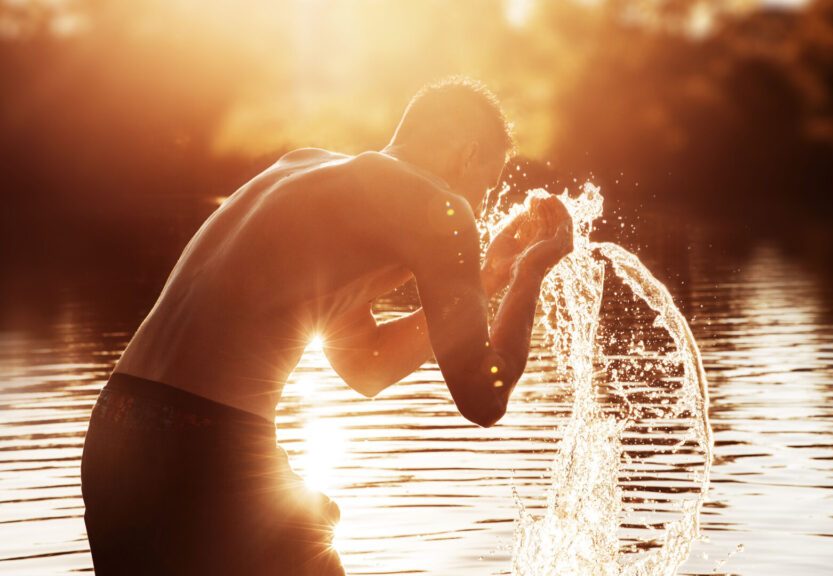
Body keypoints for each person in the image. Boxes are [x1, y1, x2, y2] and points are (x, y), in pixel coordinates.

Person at [80, 77, 573, 576]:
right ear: (467, 155)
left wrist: (489, 280)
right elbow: (483, 398)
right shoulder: (440, 207)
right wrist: (529, 274)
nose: (481, 209)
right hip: (206, 442)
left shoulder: (303, 169)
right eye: (486, 189)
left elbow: (366, 363)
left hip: (115, 432)